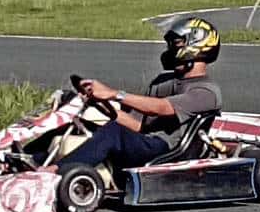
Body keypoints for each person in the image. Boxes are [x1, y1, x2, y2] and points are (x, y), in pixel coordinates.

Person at [50, 16, 222, 173]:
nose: (170, 49)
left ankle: (56, 172)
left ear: (197, 45)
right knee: (82, 123)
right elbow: (138, 125)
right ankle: (32, 160)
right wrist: (98, 104)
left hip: (167, 150)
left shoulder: (206, 92)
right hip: (144, 141)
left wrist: (113, 94)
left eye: (176, 44)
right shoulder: (163, 81)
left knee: (114, 133)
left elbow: (161, 108)